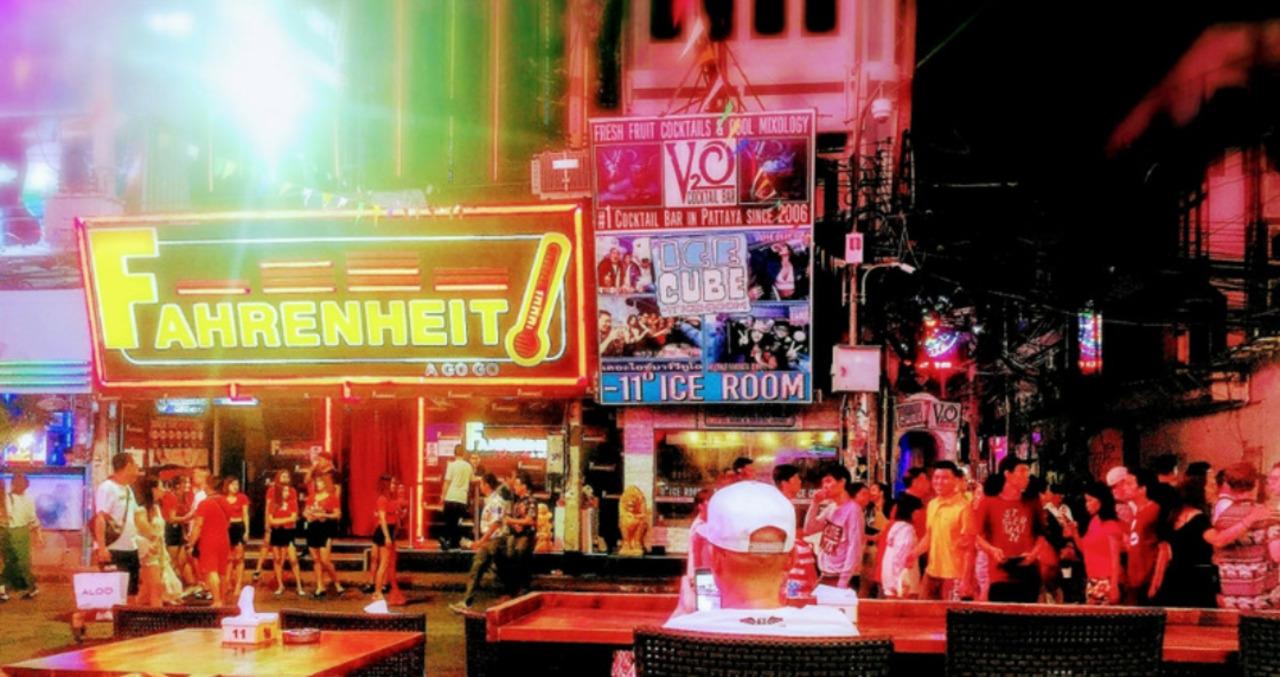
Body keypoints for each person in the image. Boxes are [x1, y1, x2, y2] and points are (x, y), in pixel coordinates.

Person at [664, 481, 855, 636]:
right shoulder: (839, 630)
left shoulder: (681, 633)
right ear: (792, 559)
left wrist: (681, 613)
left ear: (714, 558)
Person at [976, 457, 1049, 603]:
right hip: (1000, 572)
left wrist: (1033, 554)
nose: (1026, 475)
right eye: (1021, 471)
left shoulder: (1032, 501)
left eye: (1027, 471)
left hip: (1028, 571)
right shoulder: (988, 502)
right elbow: (977, 536)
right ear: (1007, 474)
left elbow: (1041, 534)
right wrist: (992, 550)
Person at [1208, 462, 1279, 610]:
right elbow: (1276, 554)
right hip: (1261, 597)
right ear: (1255, 484)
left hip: (1231, 595)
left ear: (1228, 485)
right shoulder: (1268, 515)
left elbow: (1217, 550)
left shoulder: (1223, 517)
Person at [1149, 475, 1219, 608]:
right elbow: (1217, 540)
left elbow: (1164, 553)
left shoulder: (1173, 516)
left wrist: (1156, 582)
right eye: (1209, 487)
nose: (1212, 490)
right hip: (1196, 579)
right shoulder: (1200, 520)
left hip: (1173, 576)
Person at [914, 461, 975, 601]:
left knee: (949, 613)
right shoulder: (932, 505)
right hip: (931, 572)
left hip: (954, 575)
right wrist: (913, 554)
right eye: (936, 478)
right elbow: (929, 536)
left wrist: (966, 579)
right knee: (923, 611)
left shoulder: (964, 508)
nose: (939, 482)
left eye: (945, 478)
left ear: (956, 480)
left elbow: (970, 548)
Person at [451, 473, 511, 612]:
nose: (481, 487)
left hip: (494, 540)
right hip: (492, 540)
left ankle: (467, 601)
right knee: (490, 568)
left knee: (482, 568)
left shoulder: (496, 501)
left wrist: (482, 541)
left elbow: (496, 523)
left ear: (487, 485)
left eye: (482, 484)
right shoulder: (492, 500)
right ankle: (468, 601)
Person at [803, 465, 867, 590]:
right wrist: (815, 503)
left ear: (842, 482)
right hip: (826, 574)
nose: (825, 486)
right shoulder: (831, 508)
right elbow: (809, 529)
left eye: (828, 481)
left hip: (841, 577)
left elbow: (854, 546)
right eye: (823, 483)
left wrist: (843, 581)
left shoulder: (853, 510)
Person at [94, 452, 144, 601]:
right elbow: (100, 518)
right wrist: (102, 548)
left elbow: (136, 517)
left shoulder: (128, 489)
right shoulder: (107, 488)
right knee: (112, 593)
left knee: (131, 591)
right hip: (113, 549)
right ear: (128, 466)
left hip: (130, 548)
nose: (137, 469)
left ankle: (128, 615)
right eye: (135, 465)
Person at [1065, 482, 1124, 605]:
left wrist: (1114, 585)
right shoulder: (1094, 521)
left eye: (1090, 500)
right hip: (1092, 579)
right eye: (1086, 501)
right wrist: (1075, 533)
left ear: (1100, 501)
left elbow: (1115, 558)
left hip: (1107, 580)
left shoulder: (1111, 525)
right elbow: (1084, 549)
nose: (1087, 505)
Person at [186, 476, 231, 607]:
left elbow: (198, 525)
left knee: (211, 570)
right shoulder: (226, 502)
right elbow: (228, 521)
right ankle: (223, 599)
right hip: (224, 539)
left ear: (209, 486)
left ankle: (216, 600)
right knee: (222, 571)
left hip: (209, 540)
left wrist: (191, 543)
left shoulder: (204, 504)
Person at [773, 465, 817, 600]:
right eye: (796, 478)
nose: (800, 481)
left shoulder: (784, 503)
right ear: (785, 483)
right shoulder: (780, 504)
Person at [265, 470, 305, 597]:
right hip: (277, 532)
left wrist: (279, 521)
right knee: (277, 558)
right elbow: (270, 519)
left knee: (293, 558)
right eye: (284, 491)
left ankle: (299, 586)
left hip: (288, 531)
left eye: (288, 491)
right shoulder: (274, 503)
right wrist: (275, 522)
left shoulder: (292, 503)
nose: (287, 493)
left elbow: (293, 518)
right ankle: (280, 585)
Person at [304, 471, 344, 598]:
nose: (318, 484)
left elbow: (337, 514)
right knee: (316, 559)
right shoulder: (311, 497)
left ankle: (337, 583)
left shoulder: (332, 497)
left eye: (321, 482)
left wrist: (324, 515)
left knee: (325, 560)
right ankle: (320, 586)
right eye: (317, 482)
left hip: (326, 529)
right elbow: (305, 512)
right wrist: (309, 515)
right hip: (313, 528)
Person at [1125, 469, 1162, 605]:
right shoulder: (1138, 512)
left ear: (1142, 489)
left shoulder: (1153, 510)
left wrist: (1155, 582)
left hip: (1147, 578)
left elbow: (1162, 547)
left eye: (1129, 484)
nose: (1125, 488)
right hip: (1135, 579)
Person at [3, 472, 41, 599]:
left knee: (23, 563)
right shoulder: (6, 498)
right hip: (7, 531)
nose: (19, 486)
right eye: (16, 483)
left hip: (21, 532)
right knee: (8, 562)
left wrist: (39, 536)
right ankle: (4, 589)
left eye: (22, 484)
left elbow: (33, 519)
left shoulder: (28, 500)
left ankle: (31, 587)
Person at [499, 472, 537, 598]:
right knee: (507, 555)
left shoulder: (530, 501)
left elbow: (530, 520)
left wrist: (513, 521)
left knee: (519, 553)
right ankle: (511, 588)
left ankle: (523, 586)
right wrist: (514, 523)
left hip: (525, 535)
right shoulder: (516, 501)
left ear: (524, 486)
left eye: (517, 484)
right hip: (515, 534)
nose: (514, 486)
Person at [135, 476, 167, 607]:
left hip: (157, 550)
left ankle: (136, 611)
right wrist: (154, 538)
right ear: (153, 490)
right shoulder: (141, 509)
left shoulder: (156, 507)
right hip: (147, 551)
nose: (164, 490)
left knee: (148, 589)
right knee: (156, 586)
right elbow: (144, 528)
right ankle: (157, 612)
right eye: (161, 487)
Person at [369, 475, 402, 602]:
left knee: (389, 563)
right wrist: (387, 536)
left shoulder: (392, 499)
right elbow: (382, 519)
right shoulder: (382, 499)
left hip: (390, 531)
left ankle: (387, 590)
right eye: (392, 484)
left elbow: (395, 519)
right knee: (384, 563)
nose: (394, 486)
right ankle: (377, 592)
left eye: (395, 484)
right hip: (385, 531)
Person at [880, 498, 921, 598]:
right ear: (913, 512)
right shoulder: (906, 530)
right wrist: (899, 582)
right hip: (902, 579)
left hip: (892, 576)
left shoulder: (897, 527)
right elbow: (900, 555)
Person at [221, 476, 250, 598]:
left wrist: (247, 531)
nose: (235, 487)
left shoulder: (242, 498)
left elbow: (245, 515)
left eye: (237, 484)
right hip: (227, 528)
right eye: (233, 484)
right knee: (228, 557)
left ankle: (238, 584)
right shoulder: (222, 499)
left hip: (239, 527)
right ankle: (227, 583)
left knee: (239, 557)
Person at [441, 448, 474, 551]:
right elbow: (472, 479)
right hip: (462, 498)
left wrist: (443, 496)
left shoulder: (451, 465)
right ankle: (454, 543)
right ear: (464, 454)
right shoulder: (468, 466)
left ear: (454, 453)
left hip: (450, 496)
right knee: (457, 523)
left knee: (449, 522)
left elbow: (447, 482)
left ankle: (447, 541)